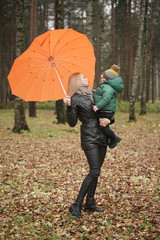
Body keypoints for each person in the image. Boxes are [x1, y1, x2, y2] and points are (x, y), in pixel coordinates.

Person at [63, 73, 112, 218]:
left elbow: (108, 111)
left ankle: (89, 203)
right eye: (83, 77)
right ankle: (77, 204)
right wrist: (69, 107)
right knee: (94, 171)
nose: (87, 79)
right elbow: (72, 123)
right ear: (77, 82)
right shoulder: (74, 99)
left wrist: (109, 121)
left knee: (96, 170)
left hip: (102, 135)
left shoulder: (94, 94)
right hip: (89, 137)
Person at [93, 64, 124, 149]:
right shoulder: (106, 86)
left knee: (102, 126)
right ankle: (112, 138)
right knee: (103, 126)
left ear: (106, 79)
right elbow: (98, 92)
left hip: (106, 111)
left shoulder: (108, 88)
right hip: (106, 110)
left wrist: (98, 106)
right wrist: (91, 91)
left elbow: (106, 98)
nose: (101, 78)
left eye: (102, 77)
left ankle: (114, 138)